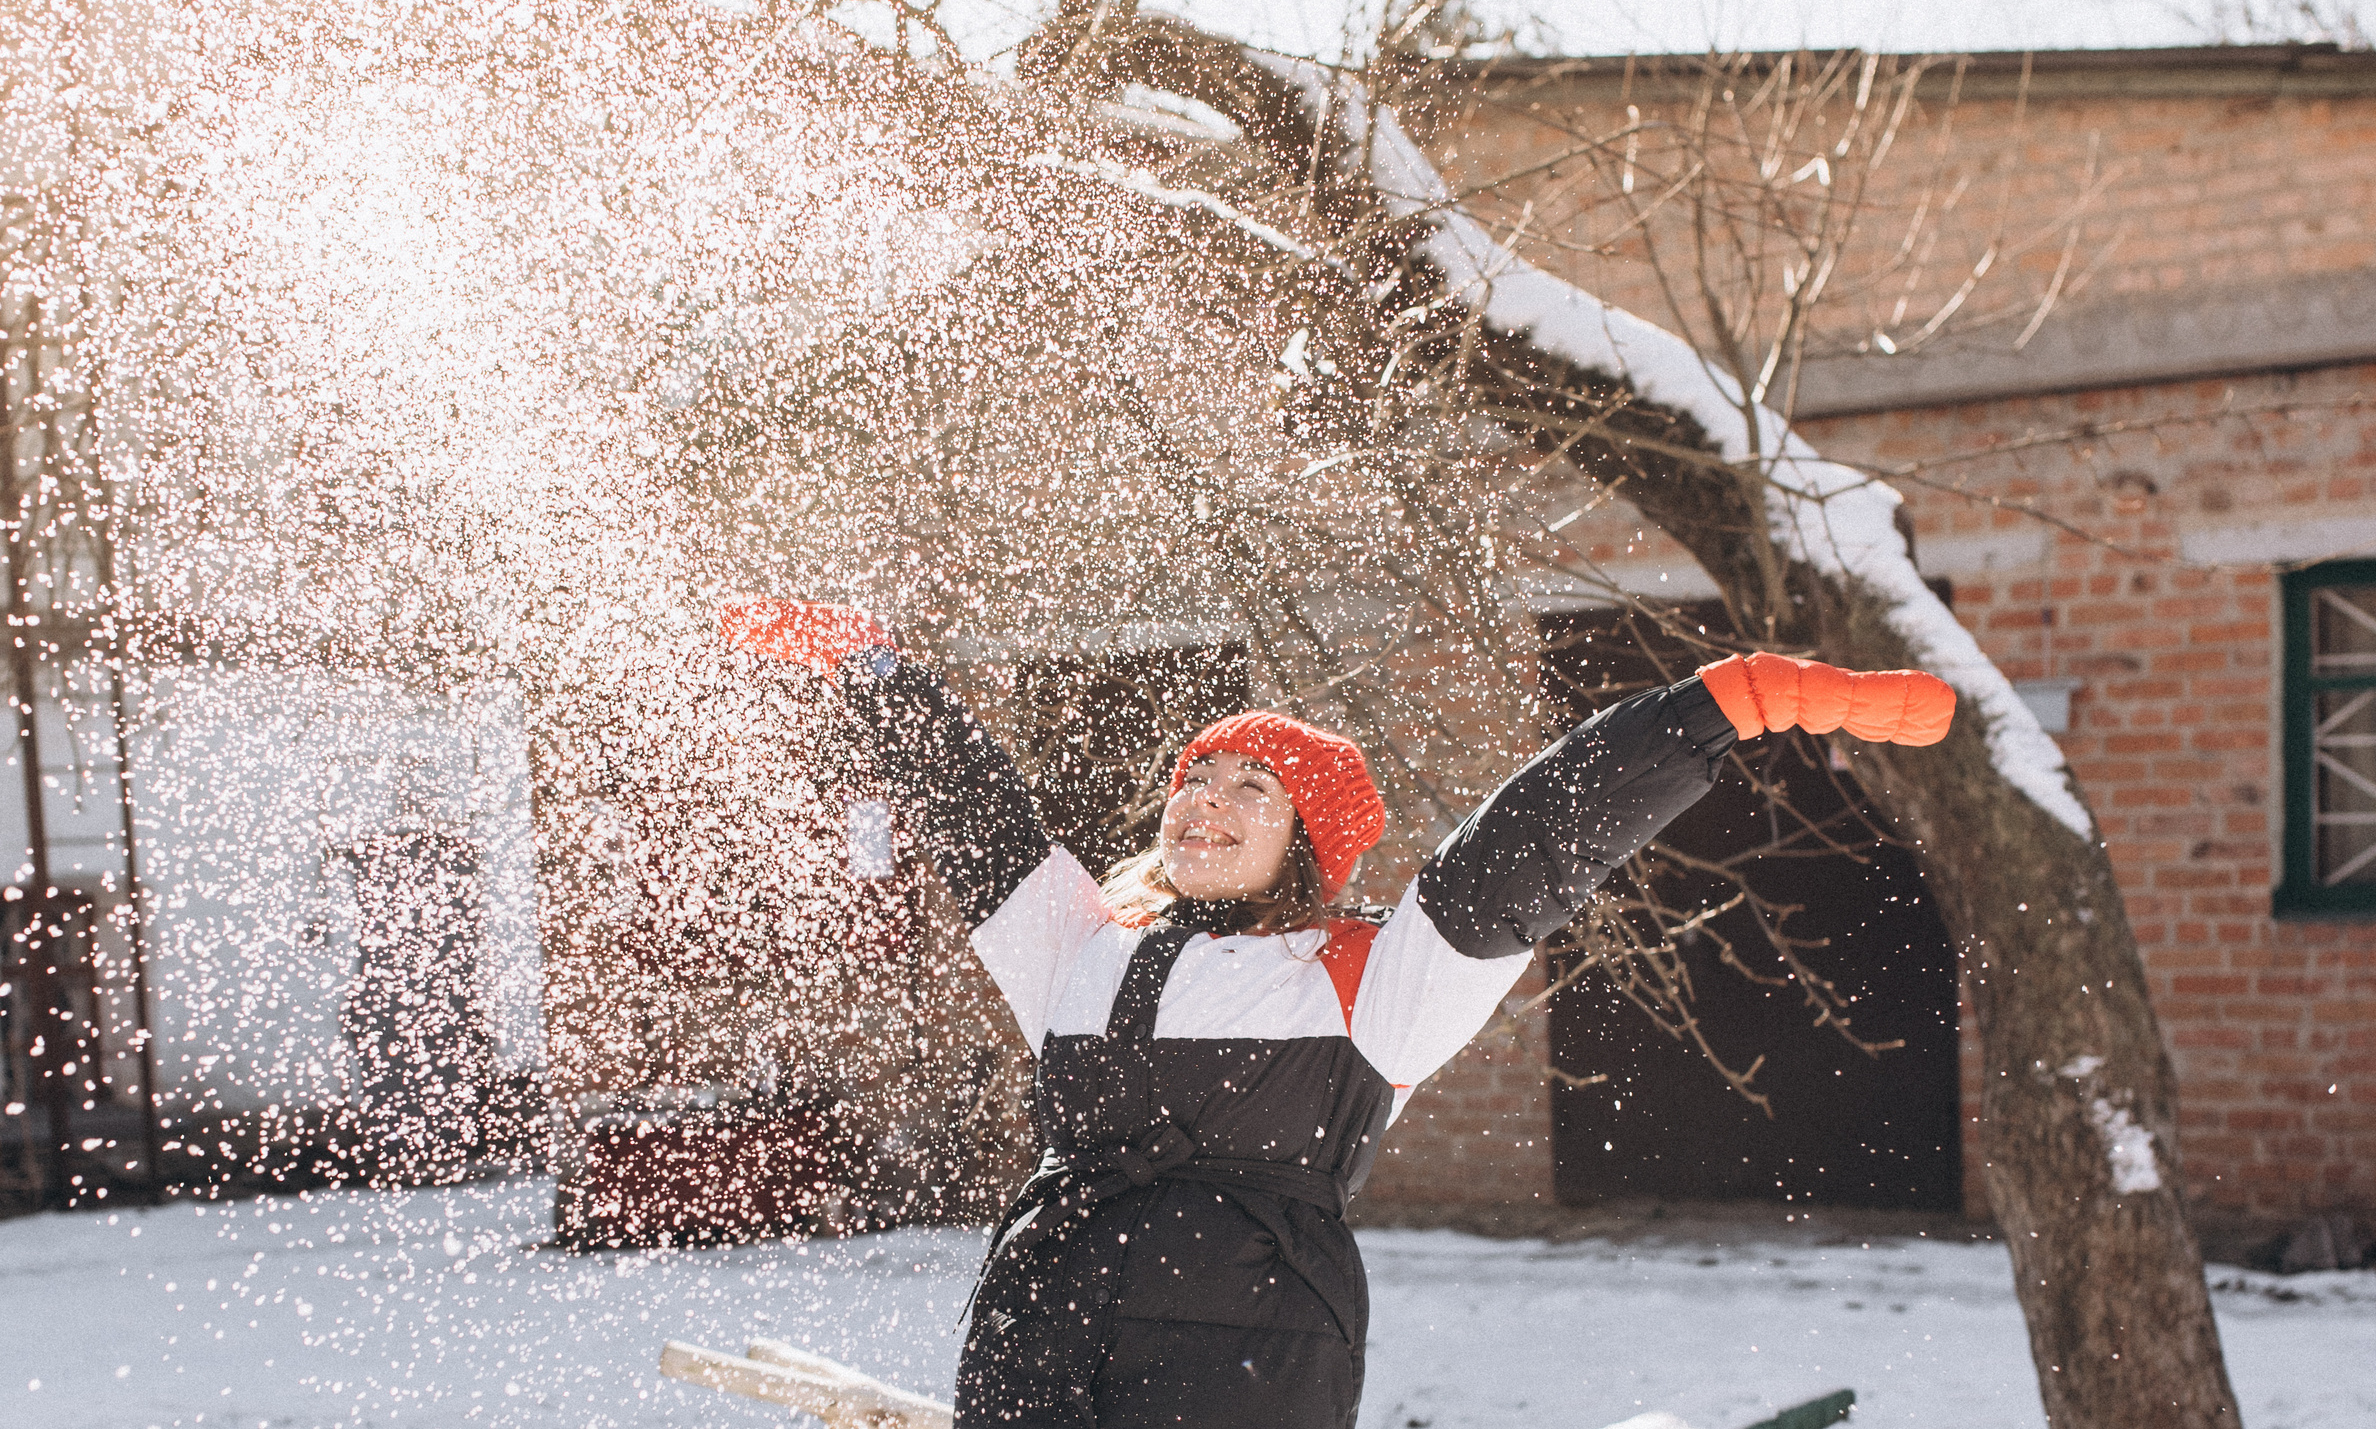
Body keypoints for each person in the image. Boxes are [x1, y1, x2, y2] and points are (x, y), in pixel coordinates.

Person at [717, 599, 1955, 1429]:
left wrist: (1720, 701)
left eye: (1250, 788)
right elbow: (973, 811)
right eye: (1194, 777)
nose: (1202, 802)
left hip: (1246, 1351)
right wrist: (873, 670)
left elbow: (1521, 847)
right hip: (1040, 1321)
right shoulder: (1085, 946)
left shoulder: (1373, 977)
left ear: (1308, 840)